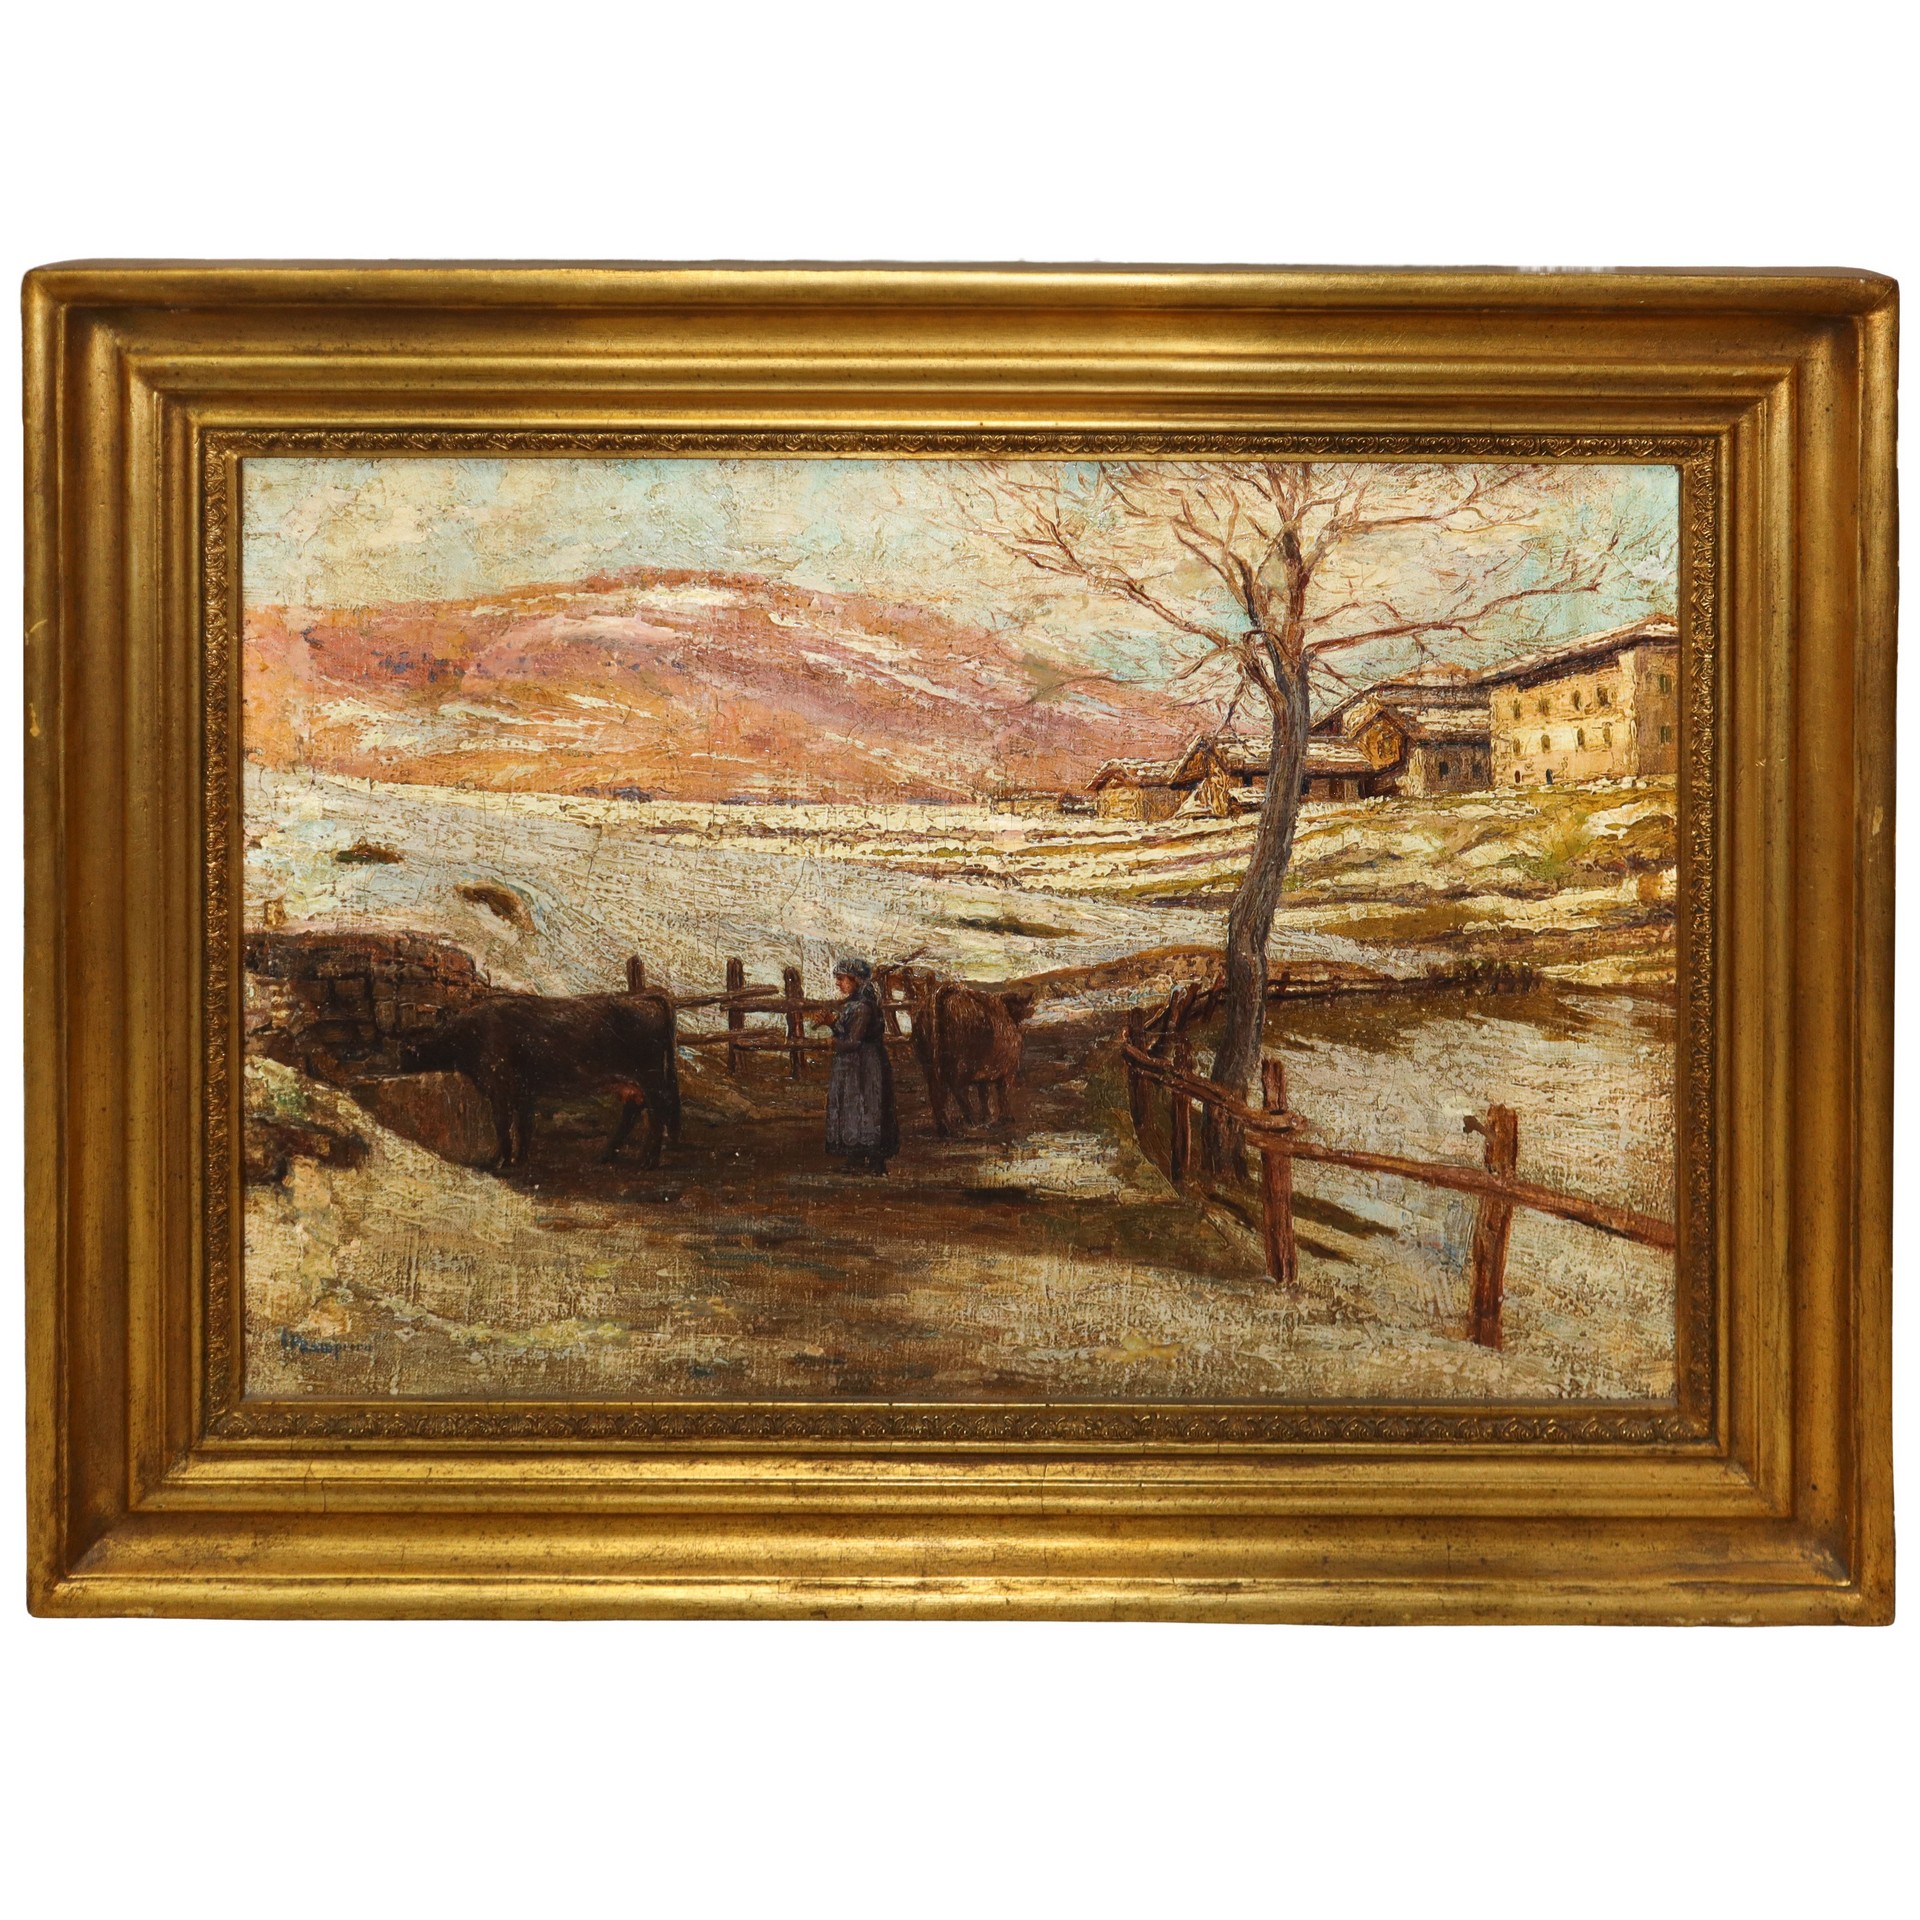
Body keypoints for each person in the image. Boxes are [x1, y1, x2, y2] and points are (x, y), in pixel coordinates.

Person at [814, 957, 899, 1176]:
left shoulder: (862, 1007)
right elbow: (847, 1032)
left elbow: (852, 1041)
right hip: (854, 1066)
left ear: (855, 980)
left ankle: (876, 1163)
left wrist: (832, 1042)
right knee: (853, 1108)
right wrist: (832, 1023)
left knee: (868, 1108)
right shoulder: (853, 1005)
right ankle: (856, 1157)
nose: (838, 983)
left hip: (866, 1066)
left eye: (842, 979)